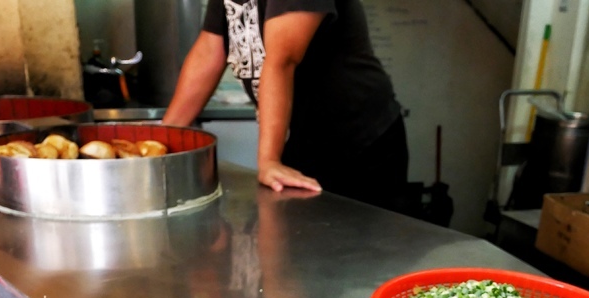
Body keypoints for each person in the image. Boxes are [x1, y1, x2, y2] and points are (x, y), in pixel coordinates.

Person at [163, 0, 410, 212]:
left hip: (358, 143)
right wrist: (165, 140)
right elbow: (210, 51)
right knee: (301, 253)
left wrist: (268, 160)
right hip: (301, 139)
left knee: (361, 257)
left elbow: (282, 58)